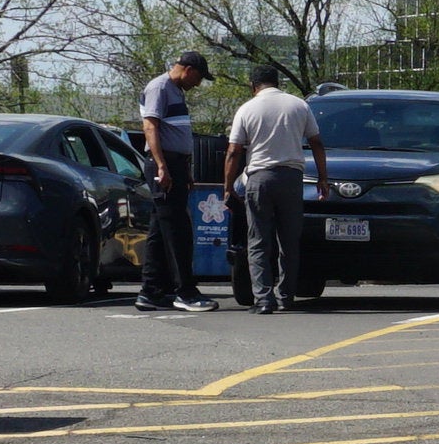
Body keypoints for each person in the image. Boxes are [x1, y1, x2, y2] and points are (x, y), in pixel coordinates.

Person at [221, 62, 330, 315]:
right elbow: (316, 142)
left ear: (253, 86)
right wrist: (322, 178)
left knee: (258, 240)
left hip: (259, 178)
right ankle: (285, 296)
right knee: (289, 241)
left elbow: (234, 151)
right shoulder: (298, 105)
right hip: (292, 178)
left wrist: (228, 187)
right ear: (278, 83)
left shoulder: (247, 109)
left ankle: (263, 299)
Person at [132, 50, 217, 316]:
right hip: (164, 164)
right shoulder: (159, 87)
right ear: (188, 70)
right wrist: (161, 165)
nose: (198, 84)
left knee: (160, 230)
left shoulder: (175, 91)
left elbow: (176, 132)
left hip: (176, 164)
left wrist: (185, 169)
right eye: (199, 77)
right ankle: (185, 292)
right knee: (178, 229)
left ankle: (151, 291)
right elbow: (150, 127)